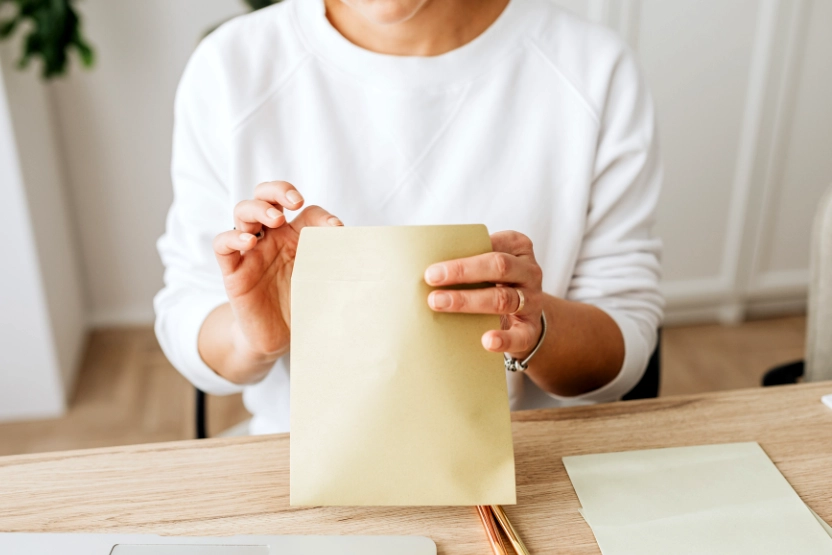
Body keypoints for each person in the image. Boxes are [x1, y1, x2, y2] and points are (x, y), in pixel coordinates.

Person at [155, 0, 663, 435]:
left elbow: (627, 339)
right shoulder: (230, 68)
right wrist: (256, 336)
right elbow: (188, 313)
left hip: (532, 466)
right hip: (302, 465)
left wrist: (539, 327)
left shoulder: (593, 69)